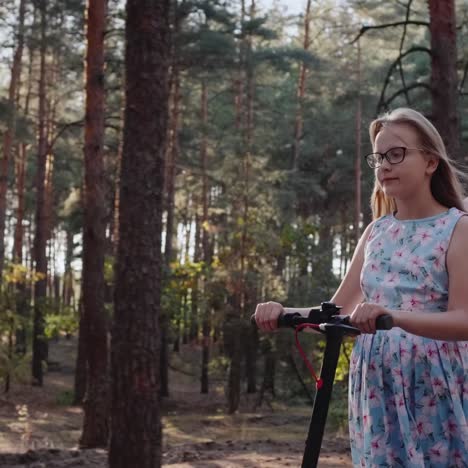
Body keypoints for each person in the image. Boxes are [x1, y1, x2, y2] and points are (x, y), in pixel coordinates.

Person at [254, 108, 468, 467]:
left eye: (396, 154)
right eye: (379, 157)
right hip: (376, 385)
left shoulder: (457, 229)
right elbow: (337, 311)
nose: (384, 165)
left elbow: (465, 320)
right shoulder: (376, 233)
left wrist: (393, 317)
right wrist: (284, 312)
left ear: (430, 161)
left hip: (435, 386)